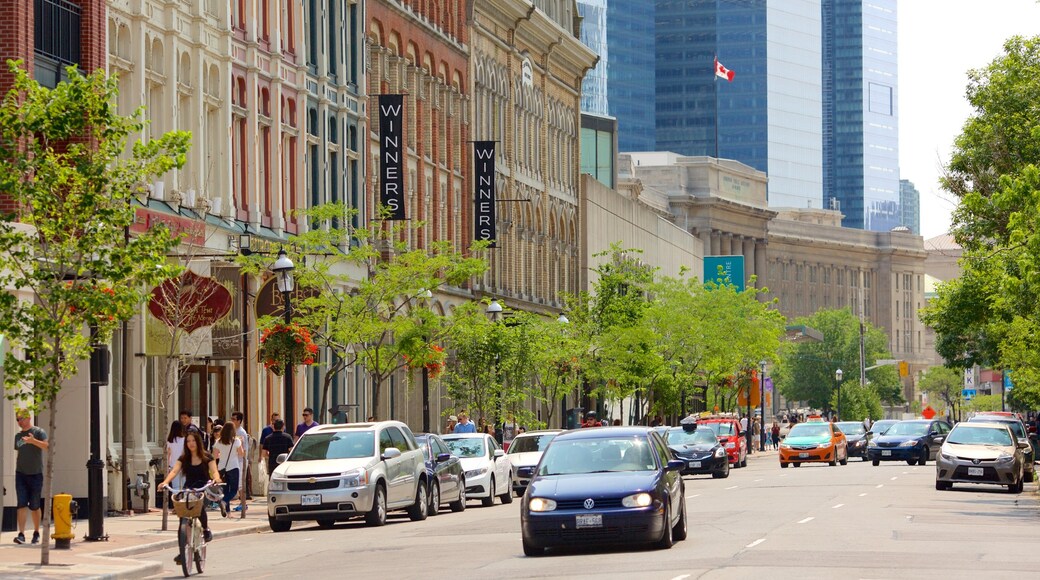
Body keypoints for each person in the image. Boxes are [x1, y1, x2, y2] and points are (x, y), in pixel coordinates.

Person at [158, 430, 222, 560]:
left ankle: (205, 529)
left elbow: (214, 471)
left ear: (198, 442)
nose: (191, 444)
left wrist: (216, 479)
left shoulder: (207, 457)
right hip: (189, 488)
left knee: (199, 508)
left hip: (203, 487)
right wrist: (164, 482)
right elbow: (175, 471)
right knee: (183, 519)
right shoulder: (184, 458)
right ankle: (183, 551)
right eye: (188, 441)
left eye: (193, 441)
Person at [14, 410, 48, 545]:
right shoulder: (18, 436)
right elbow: (18, 447)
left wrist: (33, 441)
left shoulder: (39, 432)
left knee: (34, 505)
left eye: (21, 419)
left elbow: (47, 446)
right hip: (21, 473)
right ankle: (21, 534)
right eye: (17, 420)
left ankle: (36, 532)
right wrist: (25, 441)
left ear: (28, 418)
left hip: (36, 473)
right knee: (21, 504)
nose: (19, 422)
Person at [212, 423, 244, 515]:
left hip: (222, 467)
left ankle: (228, 512)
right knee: (233, 490)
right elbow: (241, 453)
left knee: (225, 490)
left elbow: (214, 456)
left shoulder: (218, 441)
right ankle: (224, 501)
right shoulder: (236, 441)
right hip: (233, 467)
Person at [230, 412, 251, 509]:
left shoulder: (241, 432)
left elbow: (245, 449)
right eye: (232, 418)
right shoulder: (232, 431)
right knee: (237, 483)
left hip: (240, 461)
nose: (232, 420)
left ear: (239, 421)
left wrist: (243, 461)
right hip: (233, 460)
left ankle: (243, 504)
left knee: (240, 483)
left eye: (234, 419)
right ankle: (241, 503)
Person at [164, 421, 186, 492]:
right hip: (183, 465)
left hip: (173, 466)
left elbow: (168, 455)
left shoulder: (169, 441)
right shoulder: (184, 440)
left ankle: (176, 501)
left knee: (175, 487)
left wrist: (167, 467)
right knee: (184, 486)